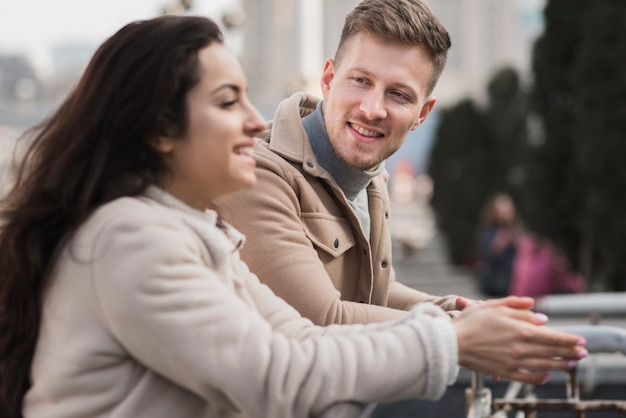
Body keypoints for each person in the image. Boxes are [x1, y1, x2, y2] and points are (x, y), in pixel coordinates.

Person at [0, 14, 587, 418]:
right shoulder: (130, 241)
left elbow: (298, 336)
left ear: (424, 111)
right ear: (159, 130)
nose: (257, 122)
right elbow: (285, 375)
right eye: (229, 102)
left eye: (400, 95)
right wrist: (455, 340)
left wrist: (457, 317)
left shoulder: (199, 233)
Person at [215, 0, 472, 325]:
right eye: (360, 80)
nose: (372, 109)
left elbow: (378, 290)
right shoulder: (256, 173)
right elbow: (321, 319)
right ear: (328, 79)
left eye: (399, 95)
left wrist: (460, 308)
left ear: (422, 114)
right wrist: (460, 332)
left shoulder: (372, 175)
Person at [510, 233, 586, 298]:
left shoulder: (524, 252)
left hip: (517, 300)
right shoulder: (548, 260)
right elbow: (572, 284)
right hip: (535, 304)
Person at [476, 193, 523, 297]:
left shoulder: (517, 229)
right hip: (494, 283)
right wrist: (500, 243)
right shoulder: (488, 231)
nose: (504, 215)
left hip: (514, 281)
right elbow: (486, 254)